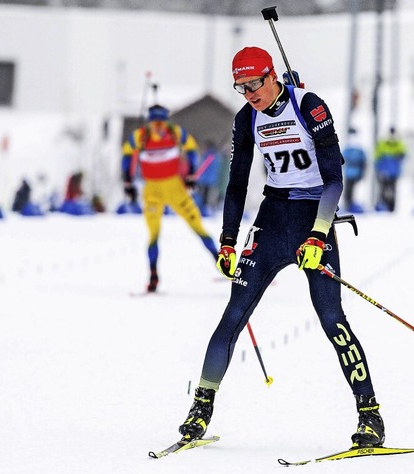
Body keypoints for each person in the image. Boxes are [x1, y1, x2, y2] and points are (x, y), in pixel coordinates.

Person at [177, 46, 385, 449]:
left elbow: (334, 180)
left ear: (271, 76)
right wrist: (227, 240)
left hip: (313, 218)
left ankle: (370, 415)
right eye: (240, 87)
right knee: (233, 314)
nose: (249, 94)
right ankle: (199, 410)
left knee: (331, 319)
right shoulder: (246, 118)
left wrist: (319, 233)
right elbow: (236, 184)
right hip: (273, 220)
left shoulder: (310, 106)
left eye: (254, 84)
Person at [121, 104, 219, 292]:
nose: (158, 126)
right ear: (149, 121)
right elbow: (127, 155)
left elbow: (191, 149)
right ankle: (153, 275)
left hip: (175, 188)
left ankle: (222, 264)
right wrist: (127, 180)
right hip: (152, 190)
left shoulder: (175, 132)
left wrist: (190, 173)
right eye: (154, 122)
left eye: (161, 121)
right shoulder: (141, 136)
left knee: (197, 224)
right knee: (153, 232)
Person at [373, 127, 406, 212]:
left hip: (393, 173)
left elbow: (403, 155)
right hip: (384, 172)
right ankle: (382, 205)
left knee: (392, 190)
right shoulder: (383, 143)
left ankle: (390, 207)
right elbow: (377, 157)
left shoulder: (398, 144)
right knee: (383, 189)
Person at [341, 128, 368, 213]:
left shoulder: (350, 148)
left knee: (350, 190)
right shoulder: (358, 149)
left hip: (351, 173)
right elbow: (363, 162)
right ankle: (350, 205)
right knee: (351, 190)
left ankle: (350, 205)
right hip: (354, 173)